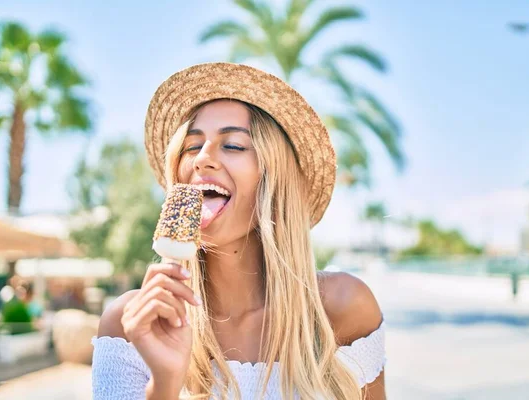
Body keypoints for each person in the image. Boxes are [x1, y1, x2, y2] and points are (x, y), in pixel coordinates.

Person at [92, 63, 386, 399]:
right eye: (191, 147)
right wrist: (164, 384)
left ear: (274, 181)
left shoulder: (345, 309)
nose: (202, 158)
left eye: (232, 145)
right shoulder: (128, 325)